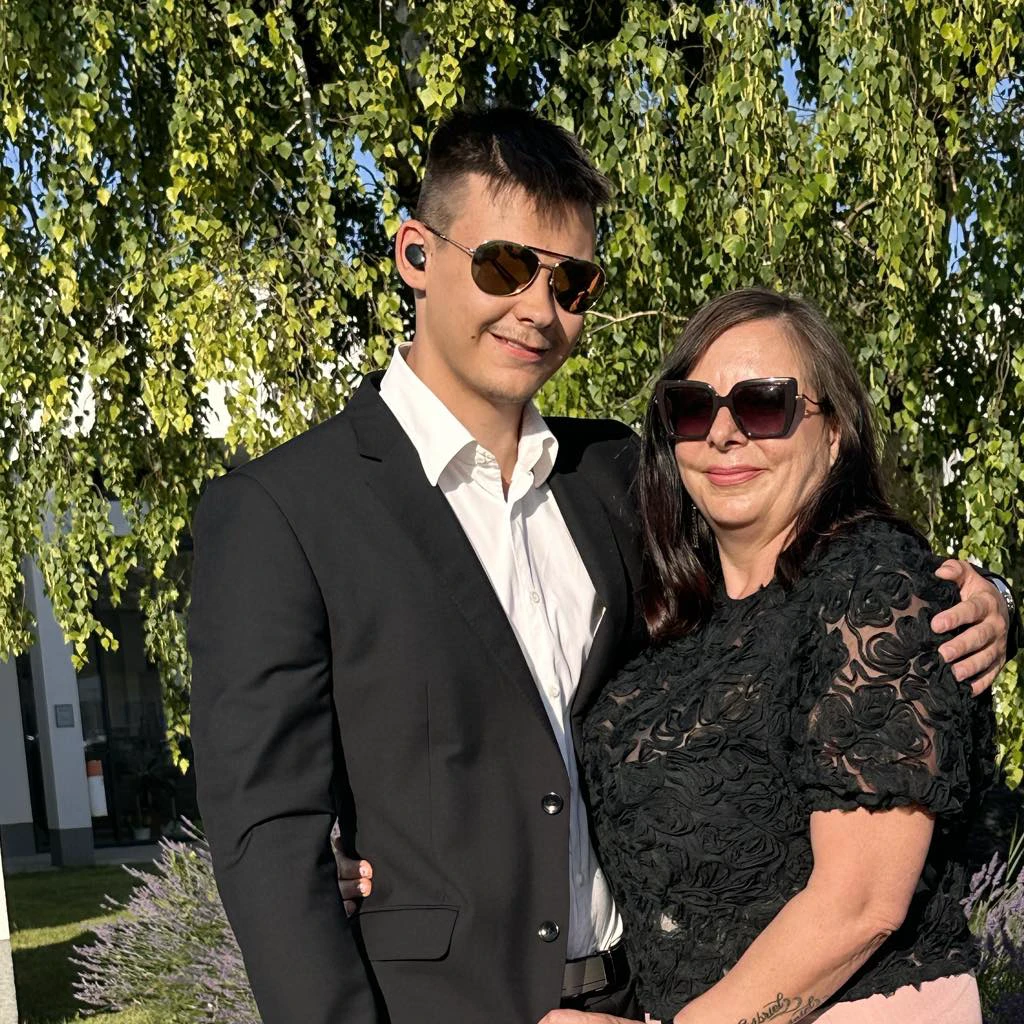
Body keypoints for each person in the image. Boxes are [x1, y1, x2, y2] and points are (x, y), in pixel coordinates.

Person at [187, 109, 1012, 1024]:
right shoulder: (280, 512)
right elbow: (270, 836)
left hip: (644, 998)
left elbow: (803, 582)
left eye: (571, 282)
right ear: (415, 254)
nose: (538, 310)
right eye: (505, 265)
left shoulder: (620, 478)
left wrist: (985, 598)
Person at [545, 288, 1003, 1024]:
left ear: (833, 433)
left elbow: (861, 905)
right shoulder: (670, 623)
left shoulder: (873, 587)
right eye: (694, 408)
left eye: (763, 404)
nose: (724, 433)